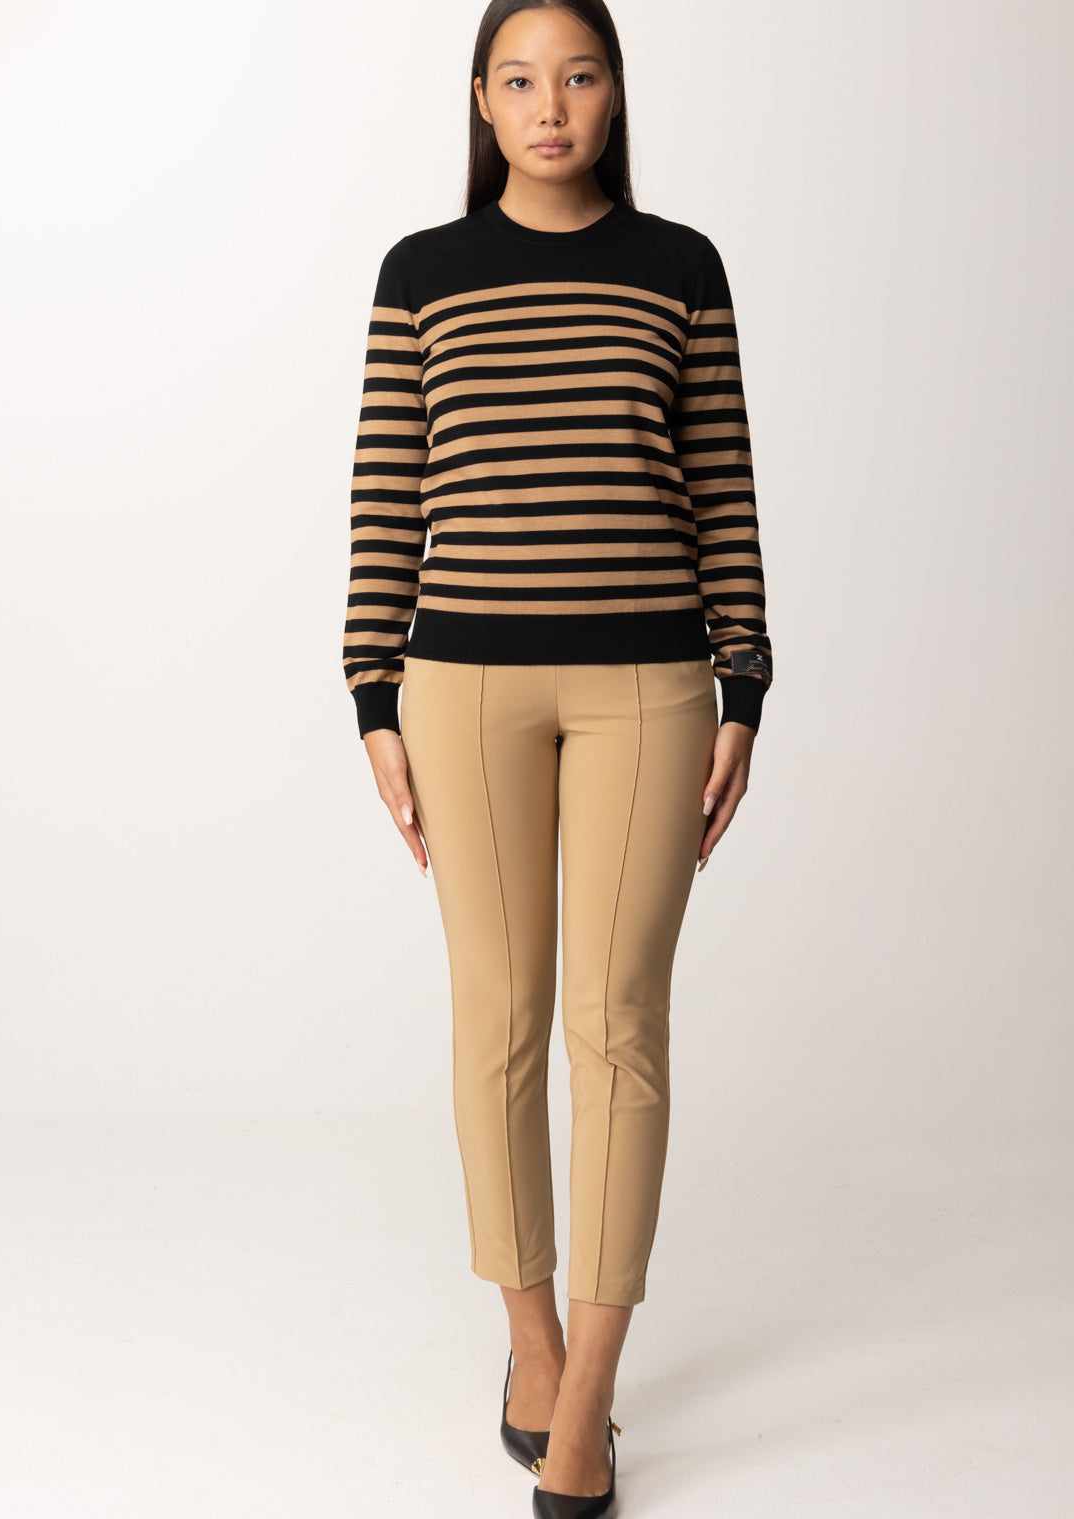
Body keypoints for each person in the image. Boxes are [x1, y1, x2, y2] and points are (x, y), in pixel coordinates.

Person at [342, 3, 773, 1513]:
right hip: (462, 688)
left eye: (578, 76)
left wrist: (745, 683)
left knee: (619, 1025)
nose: (550, 105)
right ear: (482, 99)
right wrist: (372, 697)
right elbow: (385, 491)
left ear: (614, 94)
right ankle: (529, 1342)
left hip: (649, 685)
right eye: (520, 80)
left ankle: (588, 1395)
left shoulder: (679, 268)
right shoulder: (423, 274)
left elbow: (721, 482)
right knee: (501, 1020)